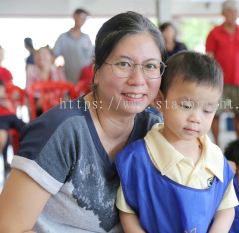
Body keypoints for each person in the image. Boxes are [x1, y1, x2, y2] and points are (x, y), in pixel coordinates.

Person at [0, 11, 166, 232]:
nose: (138, 80)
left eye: (150, 66)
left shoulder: (154, 126)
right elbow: (9, 227)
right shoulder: (62, 130)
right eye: (124, 64)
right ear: (96, 70)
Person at [116, 51, 238, 233]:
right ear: (160, 100)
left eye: (208, 110)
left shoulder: (215, 158)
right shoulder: (139, 158)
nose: (196, 118)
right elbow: (127, 212)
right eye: (186, 106)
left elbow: (226, 207)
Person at [206, 0, 239, 142]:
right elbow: (209, 56)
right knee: (216, 114)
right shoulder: (214, 33)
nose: (233, 14)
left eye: (235, 12)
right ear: (223, 13)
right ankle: (216, 144)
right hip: (219, 81)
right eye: (230, 11)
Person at [53, 8, 94, 84]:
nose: (83, 21)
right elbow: (54, 56)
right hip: (68, 77)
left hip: (85, 79)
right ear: (74, 16)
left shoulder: (86, 38)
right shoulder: (63, 37)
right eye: (81, 18)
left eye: (84, 19)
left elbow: (92, 57)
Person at [0, 80, 26, 177]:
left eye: (2, 91)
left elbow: (13, 112)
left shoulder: (7, 99)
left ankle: (31, 132)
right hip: (1, 120)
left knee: (23, 126)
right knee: (5, 136)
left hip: (11, 117)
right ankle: (6, 161)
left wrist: (8, 105)